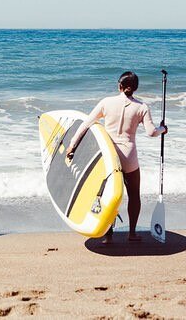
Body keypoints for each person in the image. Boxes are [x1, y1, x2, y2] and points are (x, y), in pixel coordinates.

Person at [64, 71, 167, 243]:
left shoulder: (106, 102)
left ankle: (108, 235)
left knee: (108, 193)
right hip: (129, 156)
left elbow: (86, 124)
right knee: (134, 195)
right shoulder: (142, 107)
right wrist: (163, 129)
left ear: (119, 85)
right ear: (135, 88)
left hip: (109, 155)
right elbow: (151, 132)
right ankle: (132, 233)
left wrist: (72, 145)